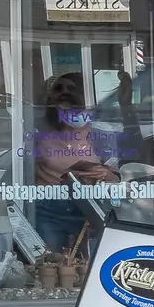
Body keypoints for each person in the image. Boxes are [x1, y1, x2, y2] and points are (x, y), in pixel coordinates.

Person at [32, 72, 114, 250]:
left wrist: (106, 174)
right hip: (48, 208)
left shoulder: (100, 133)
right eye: (58, 88)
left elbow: (116, 176)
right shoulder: (38, 130)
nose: (64, 93)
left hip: (87, 209)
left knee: (87, 265)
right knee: (49, 264)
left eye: (71, 88)